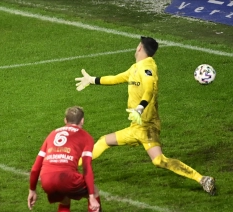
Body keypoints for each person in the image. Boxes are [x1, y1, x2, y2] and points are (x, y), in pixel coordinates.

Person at [74, 36, 216, 195]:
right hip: (137, 127)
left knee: (156, 159)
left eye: (138, 45)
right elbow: (116, 78)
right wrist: (92, 80)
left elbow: (149, 90)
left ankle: (202, 179)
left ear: (140, 48)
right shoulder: (136, 67)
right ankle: (71, 167)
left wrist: (140, 109)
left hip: (146, 126)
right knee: (108, 143)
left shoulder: (148, 70)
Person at [27, 106, 114, 212]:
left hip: (47, 178)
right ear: (82, 121)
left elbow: (36, 167)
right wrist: (92, 196)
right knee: (94, 190)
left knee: (64, 200)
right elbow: (86, 167)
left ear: (65, 120)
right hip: (67, 176)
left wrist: (32, 189)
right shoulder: (86, 136)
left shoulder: (52, 134)